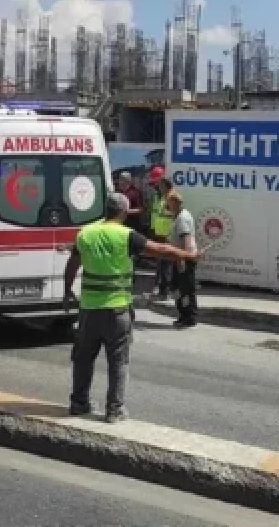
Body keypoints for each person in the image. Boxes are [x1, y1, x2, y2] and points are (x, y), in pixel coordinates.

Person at [63, 192, 198, 423]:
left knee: (83, 358)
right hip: (117, 309)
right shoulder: (127, 236)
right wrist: (188, 255)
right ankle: (114, 410)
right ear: (124, 212)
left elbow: (72, 264)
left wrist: (67, 291)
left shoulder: (85, 234)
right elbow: (161, 250)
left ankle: (79, 403)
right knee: (118, 360)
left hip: (89, 309)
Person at [166, 192, 199, 329]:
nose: (167, 205)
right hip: (179, 257)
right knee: (177, 288)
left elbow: (186, 238)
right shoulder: (178, 216)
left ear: (175, 203)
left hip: (183, 259)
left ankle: (188, 316)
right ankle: (183, 314)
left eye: (169, 203)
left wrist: (182, 259)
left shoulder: (182, 218)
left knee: (185, 290)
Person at [148, 169, 176, 298]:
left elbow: (173, 214)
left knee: (165, 263)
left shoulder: (170, 197)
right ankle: (160, 287)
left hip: (167, 235)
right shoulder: (158, 196)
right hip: (158, 232)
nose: (156, 186)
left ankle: (165, 290)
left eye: (158, 184)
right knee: (160, 262)